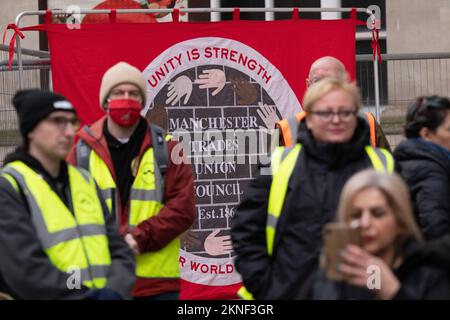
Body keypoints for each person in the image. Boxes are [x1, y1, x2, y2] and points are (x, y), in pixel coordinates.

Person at [231, 78, 394, 300]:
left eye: (345, 112)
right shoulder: (279, 163)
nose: (336, 120)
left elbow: (410, 232)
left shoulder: (384, 164)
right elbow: (247, 229)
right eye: (325, 113)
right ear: (308, 119)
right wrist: (267, 287)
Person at [67, 61, 195, 299]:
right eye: (118, 93)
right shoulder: (82, 150)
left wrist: (138, 239)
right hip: (102, 280)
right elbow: (66, 211)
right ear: (105, 100)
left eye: (133, 93)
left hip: (156, 285)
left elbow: (183, 208)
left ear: (143, 102)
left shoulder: (167, 148)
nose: (126, 99)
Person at [0, 89, 135, 299]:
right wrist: (86, 297)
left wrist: (114, 291)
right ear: (30, 130)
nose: (69, 131)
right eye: (57, 121)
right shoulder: (10, 186)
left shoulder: (84, 180)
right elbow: (25, 268)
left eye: (72, 122)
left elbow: (119, 249)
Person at [299, 169, 450, 300]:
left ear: (400, 222)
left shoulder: (429, 273)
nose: (365, 223)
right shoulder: (332, 274)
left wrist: (393, 292)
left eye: (377, 214)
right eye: (356, 215)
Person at [275, 56, 391, 151]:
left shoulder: (368, 124)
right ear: (308, 85)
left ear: (345, 84)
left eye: (333, 81)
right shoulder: (286, 130)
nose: (326, 87)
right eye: (319, 81)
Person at [394, 96, 450, 240]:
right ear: (426, 134)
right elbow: (437, 231)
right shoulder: (430, 172)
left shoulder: (413, 161)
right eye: (449, 130)